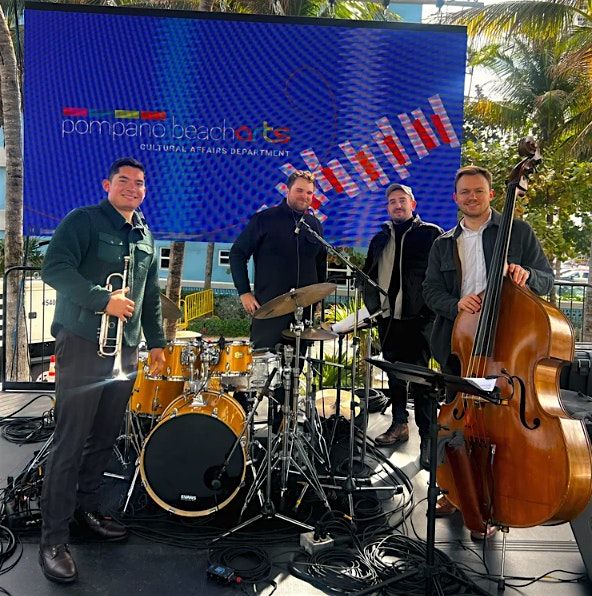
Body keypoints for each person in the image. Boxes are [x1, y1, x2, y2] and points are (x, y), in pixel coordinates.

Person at [39, 157, 166, 583]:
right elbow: (55, 268)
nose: (133, 187)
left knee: (103, 438)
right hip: (82, 344)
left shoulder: (145, 234)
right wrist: (102, 299)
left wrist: (158, 342)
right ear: (106, 185)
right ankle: (53, 541)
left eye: (139, 183)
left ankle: (86, 512)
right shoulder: (84, 221)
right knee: (70, 441)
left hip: (124, 351)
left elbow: (150, 296)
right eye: (124, 181)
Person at [422, 165, 554, 538]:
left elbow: (545, 278)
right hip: (461, 344)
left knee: (500, 429)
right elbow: (430, 290)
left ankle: (497, 499)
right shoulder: (443, 243)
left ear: (492, 194)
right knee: (457, 425)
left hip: (507, 344)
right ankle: (453, 492)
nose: (472, 197)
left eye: (478, 191)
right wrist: (456, 304)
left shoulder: (519, 232)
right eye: (465, 192)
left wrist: (528, 275)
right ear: (456, 198)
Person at [362, 183, 442, 469]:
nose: (397, 205)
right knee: (394, 376)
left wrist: (430, 312)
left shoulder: (430, 234)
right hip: (388, 320)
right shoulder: (379, 239)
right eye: (392, 201)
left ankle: (427, 438)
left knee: (421, 382)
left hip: (420, 320)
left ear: (413, 204)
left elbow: (442, 275)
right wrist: (375, 309)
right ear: (388, 207)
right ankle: (399, 425)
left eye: (402, 200)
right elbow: (368, 275)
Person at [229, 170, 327, 351]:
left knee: (297, 366)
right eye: (299, 190)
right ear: (287, 190)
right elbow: (237, 254)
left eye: (309, 192)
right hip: (270, 311)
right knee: (266, 365)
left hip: (303, 313)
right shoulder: (264, 219)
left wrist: (319, 297)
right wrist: (244, 292)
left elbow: (320, 262)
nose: (304, 196)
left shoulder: (314, 225)